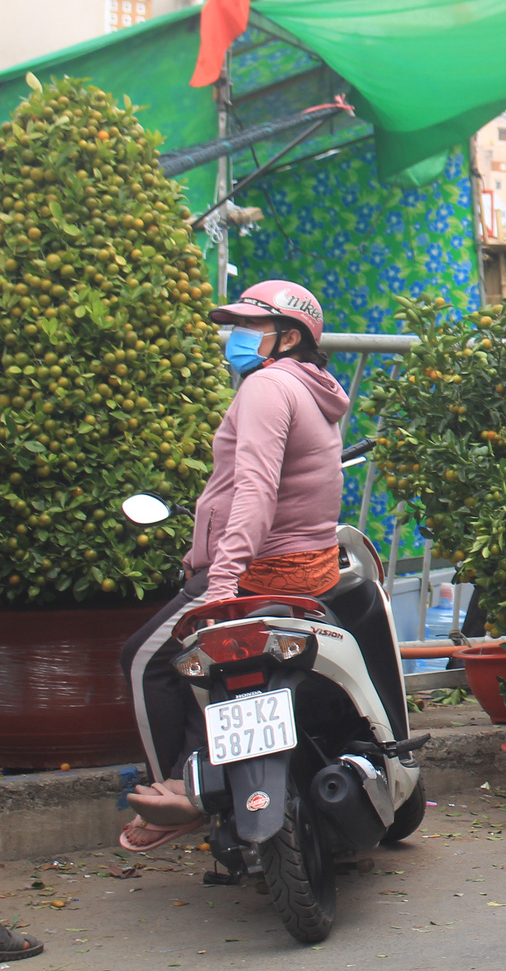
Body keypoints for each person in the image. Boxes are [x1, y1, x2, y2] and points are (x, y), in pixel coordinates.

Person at [115, 281, 407, 851]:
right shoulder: (314, 387)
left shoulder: (267, 387)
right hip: (311, 565)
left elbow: (255, 491)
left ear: (289, 336)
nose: (236, 336)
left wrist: (222, 582)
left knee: (144, 660)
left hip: (259, 570)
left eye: (250, 325)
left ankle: (173, 785)